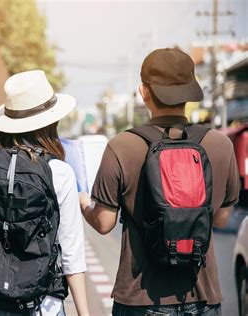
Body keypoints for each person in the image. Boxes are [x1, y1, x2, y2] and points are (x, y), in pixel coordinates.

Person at [79, 48, 240, 316]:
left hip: (141, 299)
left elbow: (104, 223)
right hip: (203, 297)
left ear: (144, 92)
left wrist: (84, 203)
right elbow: (221, 220)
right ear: (190, 92)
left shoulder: (122, 146)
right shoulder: (220, 145)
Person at [0, 70, 89, 316]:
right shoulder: (58, 172)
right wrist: (84, 313)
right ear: (50, 122)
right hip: (41, 306)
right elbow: (71, 256)